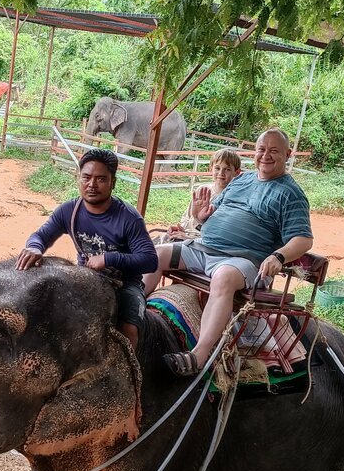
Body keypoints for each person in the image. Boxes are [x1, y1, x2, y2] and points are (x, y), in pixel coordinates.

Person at [143, 129, 313, 375]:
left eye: (274, 151)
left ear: (287, 154)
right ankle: (135, 311)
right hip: (203, 248)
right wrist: (199, 217)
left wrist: (278, 256)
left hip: (243, 261)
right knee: (156, 254)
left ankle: (198, 356)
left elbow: (303, 239)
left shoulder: (291, 194)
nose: (265, 155)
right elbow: (215, 214)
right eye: (261, 149)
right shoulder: (241, 181)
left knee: (222, 277)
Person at [17, 148, 158, 349]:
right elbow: (41, 236)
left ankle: (127, 378)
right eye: (86, 177)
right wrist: (35, 247)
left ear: (113, 183)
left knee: (129, 329)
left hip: (124, 284)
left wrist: (109, 259)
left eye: (100, 179)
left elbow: (150, 260)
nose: (92, 185)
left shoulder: (128, 218)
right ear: (79, 178)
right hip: (84, 277)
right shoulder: (69, 211)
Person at [157, 148, 241, 243]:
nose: (221, 173)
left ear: (237, 173)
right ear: (210, 169)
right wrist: (180, 228)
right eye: (217, 168)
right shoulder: (202, 190)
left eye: (227, 169)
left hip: (201, 242)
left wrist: (188, 238)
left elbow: (219, 235)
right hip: (186, 234)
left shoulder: (233, 200)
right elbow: (187, 217)